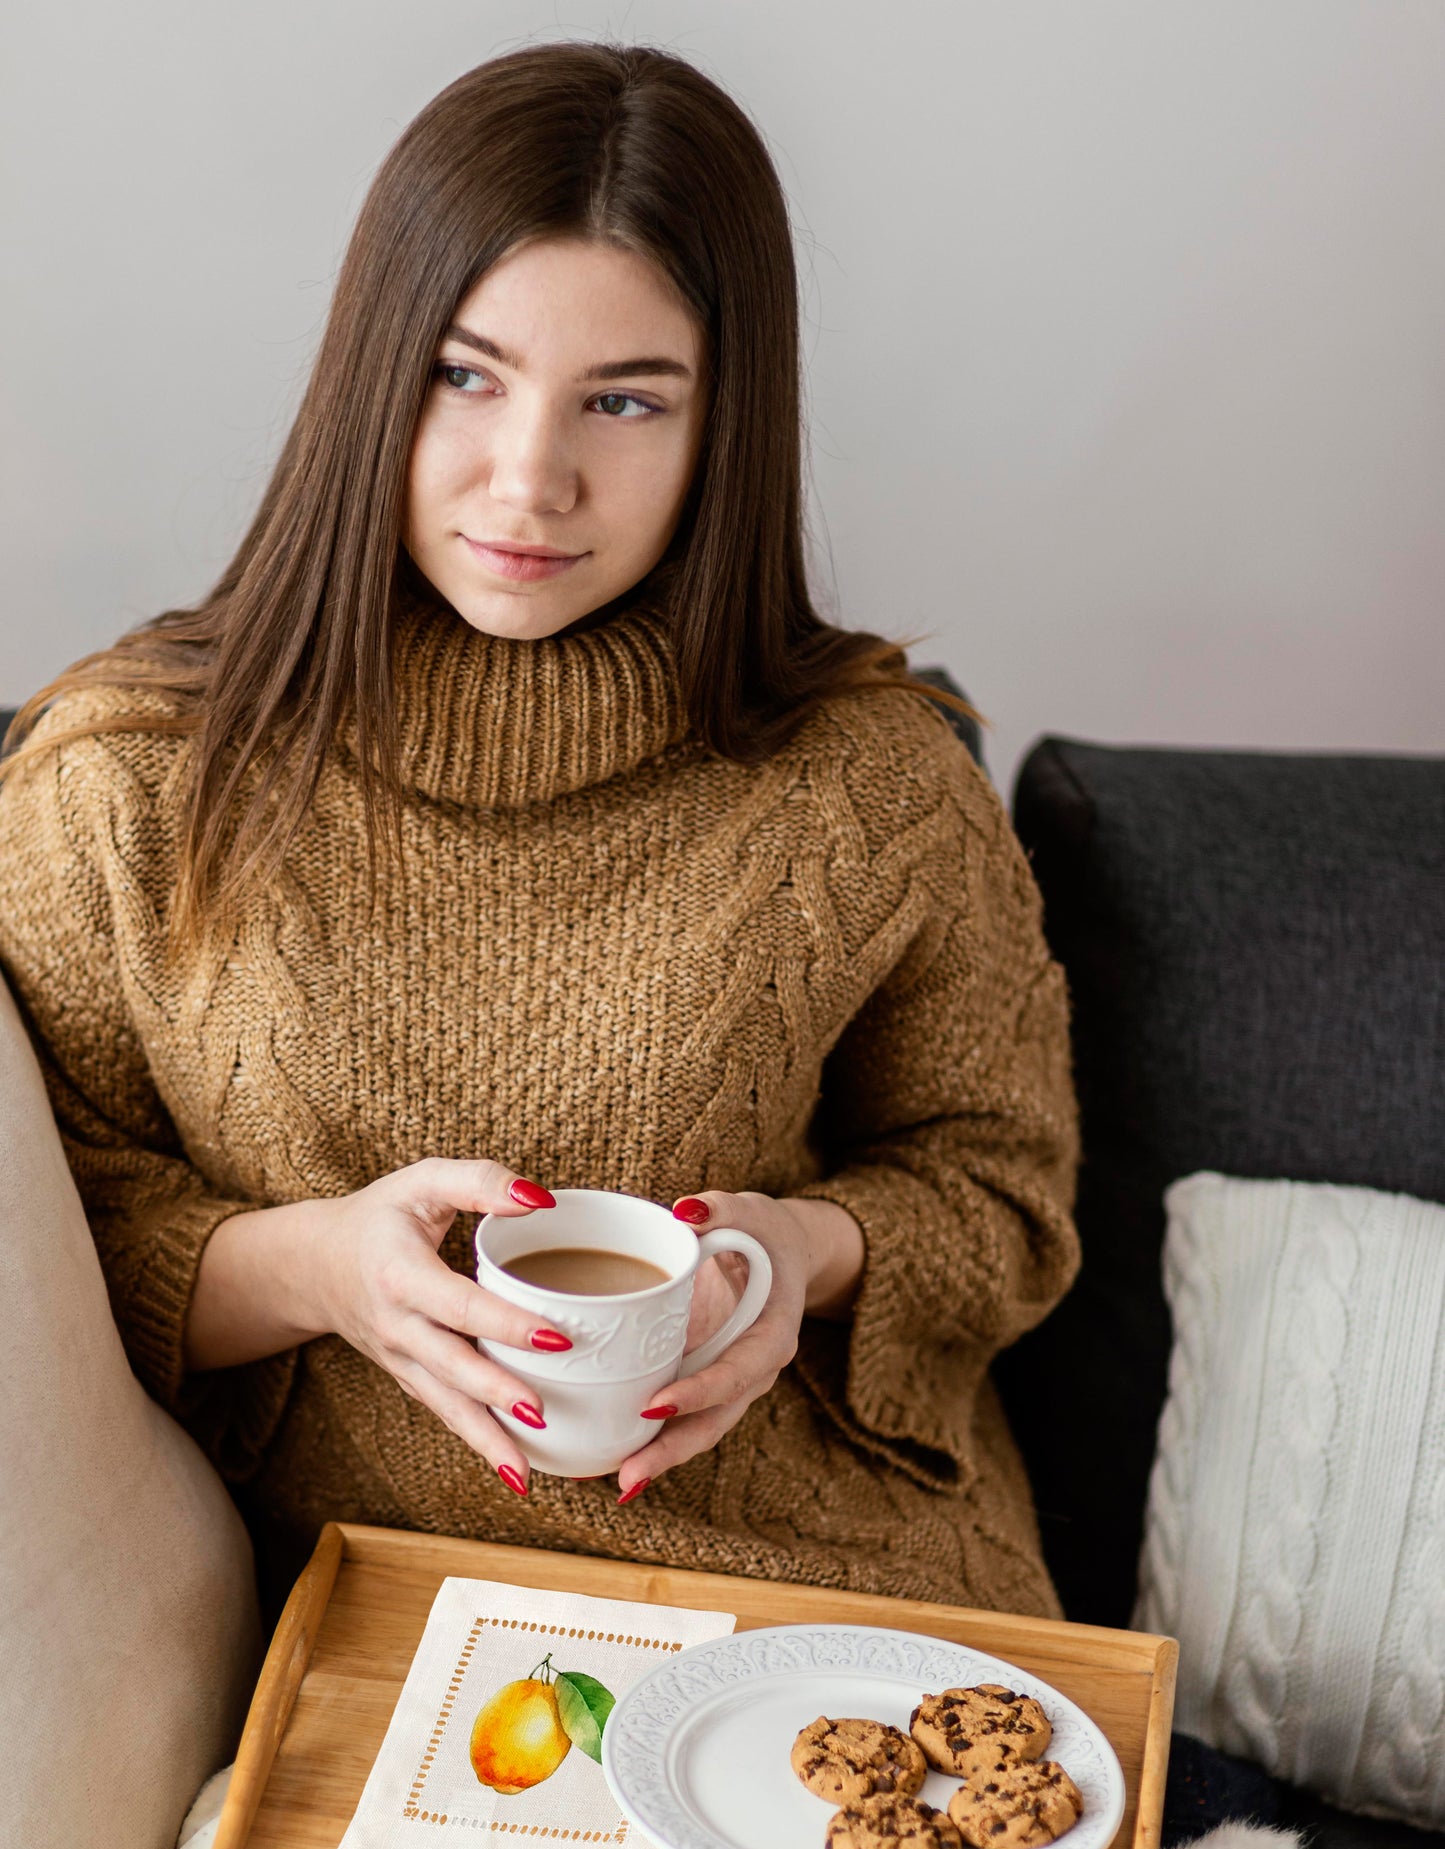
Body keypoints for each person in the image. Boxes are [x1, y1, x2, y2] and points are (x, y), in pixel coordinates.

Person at [0, 43, 1079, 1618]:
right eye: (466, 374)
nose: (531, 479)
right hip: (372, 1625)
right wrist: (322, 1273)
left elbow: (1003, 1192)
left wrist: (800, 1258)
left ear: (725, 424)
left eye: (624, 400)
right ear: (374, 372)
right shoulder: (126, 781)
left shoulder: (873, 780)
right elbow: (56, 1230)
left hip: (827, 1587)